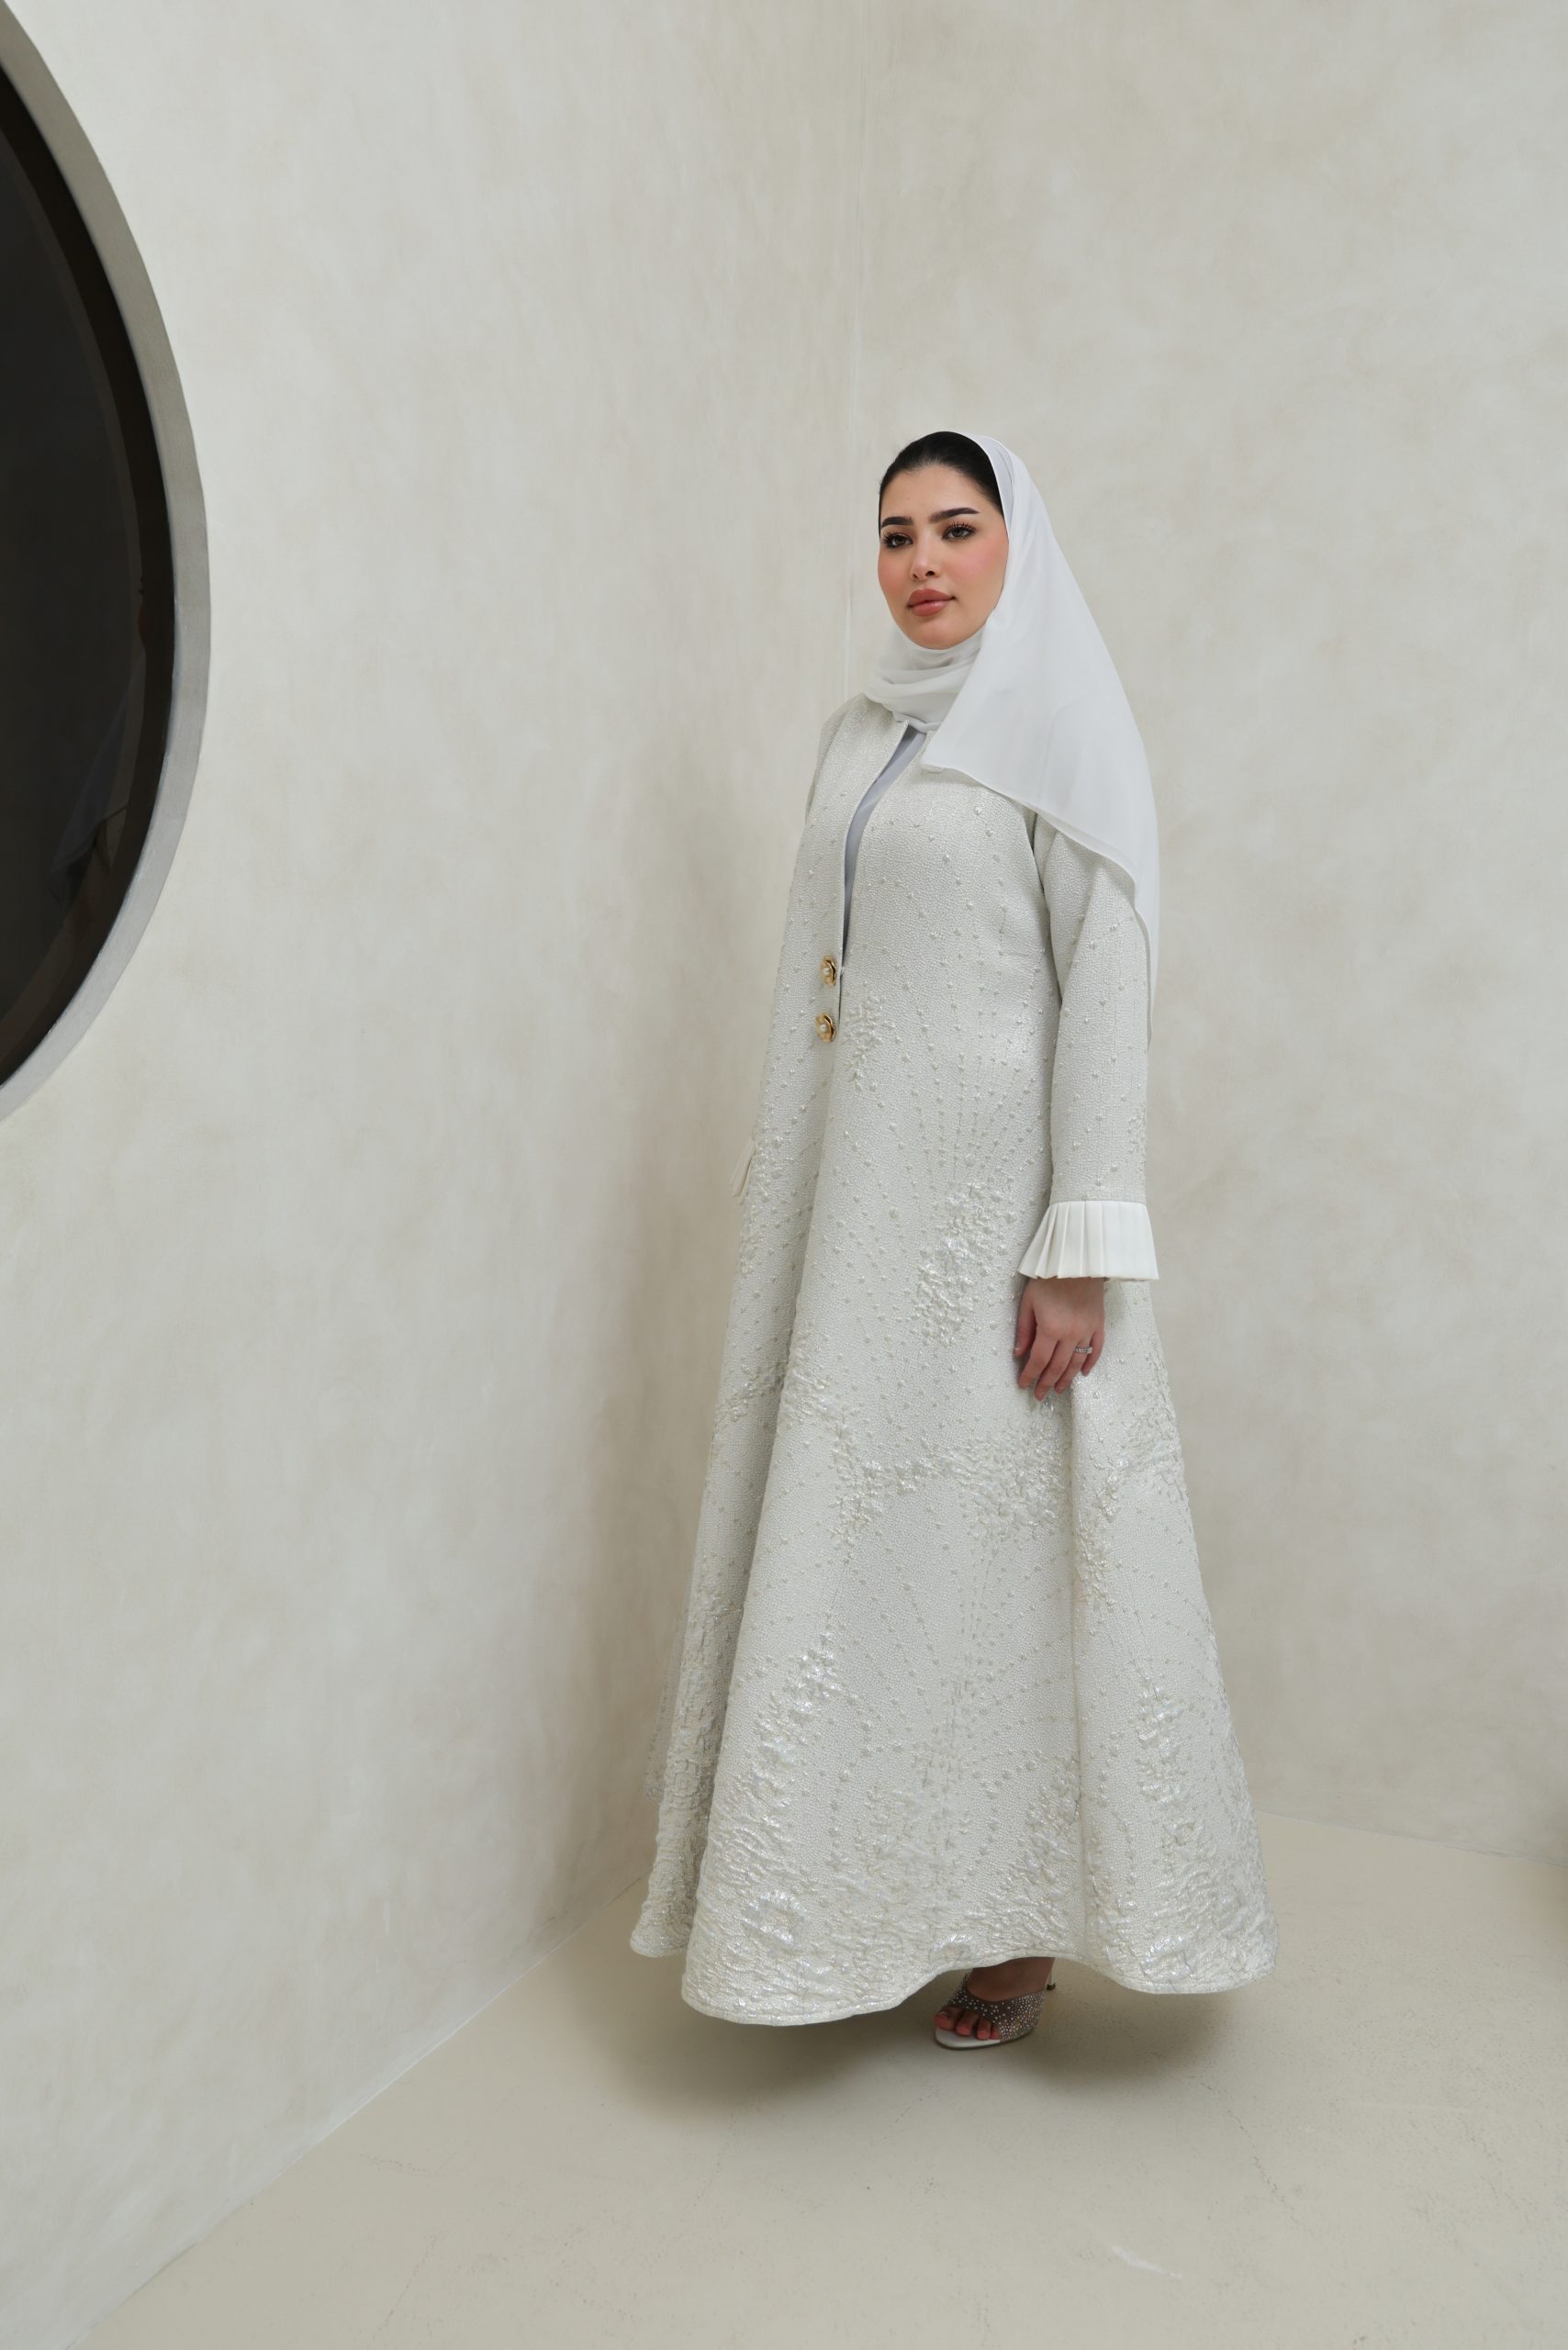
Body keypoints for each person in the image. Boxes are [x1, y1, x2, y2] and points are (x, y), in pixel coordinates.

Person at [631, 429, 1278, 2048]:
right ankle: (859, 1905)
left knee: (1002, 1558)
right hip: (865, 1208)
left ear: (1016, 546)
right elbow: (824, 971)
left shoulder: (1063, 725)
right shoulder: (862, 733)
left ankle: (1018, 1937)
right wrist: (796, 1178)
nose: (922, 562)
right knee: (873, 1558)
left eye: (956, 528)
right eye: (896, 534)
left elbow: (1107, 985)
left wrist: (1077, 1245)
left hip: (999, 1214)